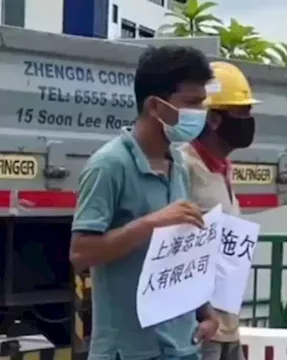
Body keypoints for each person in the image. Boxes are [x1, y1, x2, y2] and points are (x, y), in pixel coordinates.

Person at [69, 45, 219, 360]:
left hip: (182, 347)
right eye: (192, 103)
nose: (200, 114)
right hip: (128, 351)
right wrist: (152, 223)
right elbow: (81, 253)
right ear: (154, 105)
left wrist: (205, 313)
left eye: (203, 103)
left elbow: (177, 254)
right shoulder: (109, 165)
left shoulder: (177, 164)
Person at [180, 61, 259, 360]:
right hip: (201, 326)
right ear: (214, 119)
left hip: (228, 323)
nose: (249, 120)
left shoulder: (223, 168)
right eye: (242, 113)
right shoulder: (185, 168)